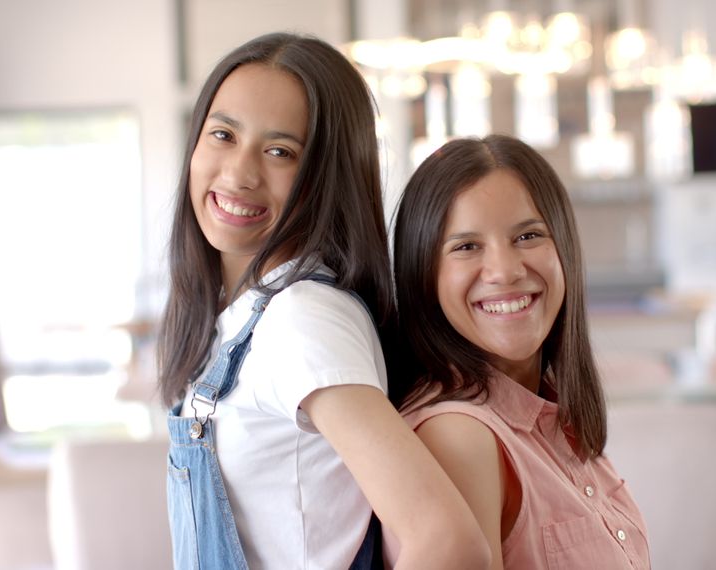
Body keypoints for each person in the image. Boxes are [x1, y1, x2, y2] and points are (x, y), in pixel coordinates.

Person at [157, 33, 489, 570]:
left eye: (280, 151)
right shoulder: (248, 316)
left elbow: (448, 540)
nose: (240, 173)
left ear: (325, 177)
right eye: (223, 135)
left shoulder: (301, 318)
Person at [388, 135, 651, 569]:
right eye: (466, 246)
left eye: (528, 236)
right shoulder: (459, 436)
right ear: (423, 272)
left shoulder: (550, 415)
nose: (506, 271)